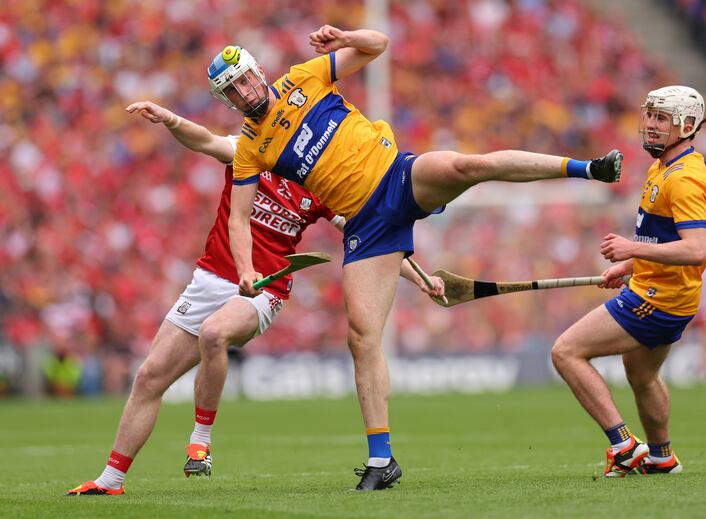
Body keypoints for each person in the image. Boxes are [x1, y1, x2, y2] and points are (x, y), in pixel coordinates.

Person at [202, 26, 623, 490]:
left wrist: (344, 36)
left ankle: (587, 168)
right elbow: (238, 220)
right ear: (229, 102)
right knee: (361, 337)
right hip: (366, 225)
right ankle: (382, 461)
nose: (244, 91)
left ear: (258, 72)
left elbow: (377, 44)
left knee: (469, 166)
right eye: (232, 91)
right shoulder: (249, 151)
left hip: (399, 176)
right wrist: (246, 269)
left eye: (245, 79)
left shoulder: (304, 77)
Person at [65, 101, 444, 496]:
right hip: (209, 279)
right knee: (148, 377)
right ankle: (111, 481)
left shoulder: (320, 184)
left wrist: (420, 277)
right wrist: (171, 120)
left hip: (265, 289)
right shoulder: (251, 153)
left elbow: (369, 235)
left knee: (214, 334)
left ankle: (201, 442)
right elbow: (206, 141)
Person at [551, 85, 706, 477]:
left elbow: (694, 249)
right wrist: (628, 266)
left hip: (659, 299)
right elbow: (664, 237)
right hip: (660, 290)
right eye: (651, 116)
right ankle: (661, 457)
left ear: (687, 126)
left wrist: (631, 251)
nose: (652, 125)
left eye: (663, 118)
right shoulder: (665, 166)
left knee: (565, 351)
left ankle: (625, 446)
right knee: (642, 375)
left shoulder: (685, 178)